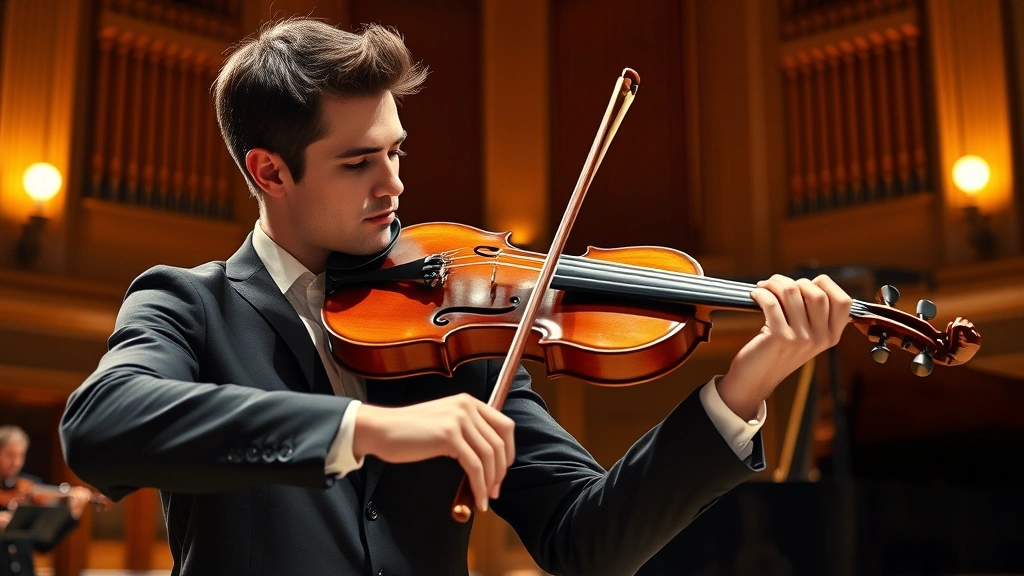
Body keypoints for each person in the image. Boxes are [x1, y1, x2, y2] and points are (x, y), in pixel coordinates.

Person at [58, 17, 853, 576]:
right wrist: (368, 428)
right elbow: (100, 426)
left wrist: (746, 383)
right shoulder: (188, 307)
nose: (394, 183)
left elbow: (589, 541)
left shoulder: (452, 329)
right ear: (270, 171)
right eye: (357, 162)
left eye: (396, 151)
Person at [1, 426, 92, 576]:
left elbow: (42, 545)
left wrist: (73, 514)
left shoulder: (28, 488)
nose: (16, 462)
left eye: (21, 455)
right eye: (10, 455)